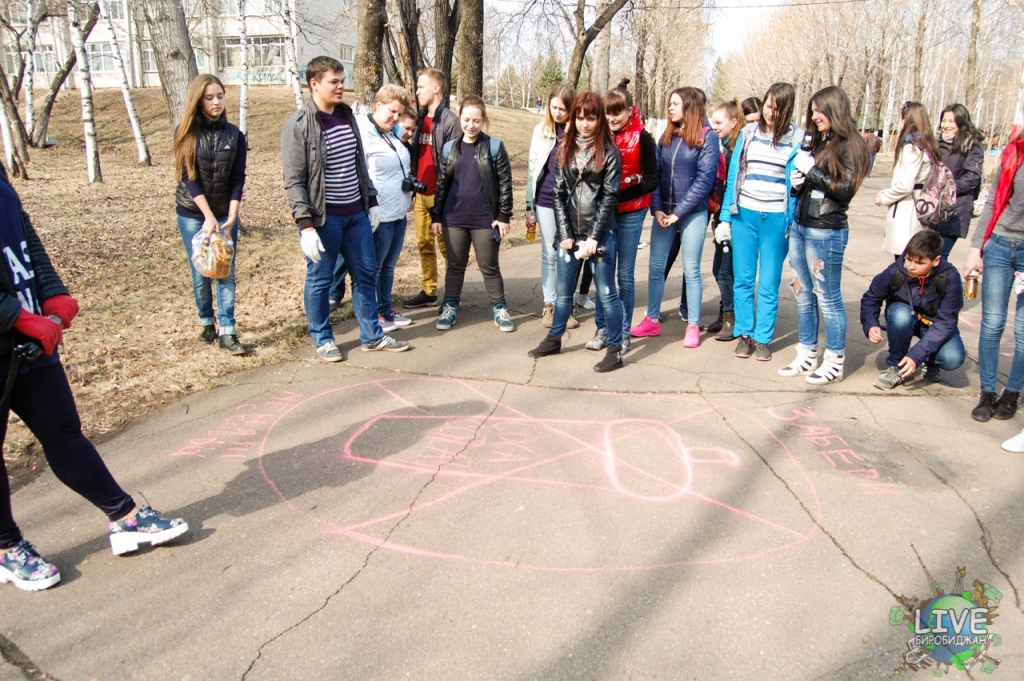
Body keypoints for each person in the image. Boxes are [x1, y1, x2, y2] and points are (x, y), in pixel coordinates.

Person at [0, 164, 188, 591]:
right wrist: (16, 316)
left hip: (27, 336)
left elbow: (23, 233)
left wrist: (52, 291)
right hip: (14, 325)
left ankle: (124, 518)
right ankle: (7, 547)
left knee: (64, 432)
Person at [281, 56, 410, 362]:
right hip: (325, 218)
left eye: (342, 80)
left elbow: (358, 164)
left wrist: (372, 201)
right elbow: (294, 180)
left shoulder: (346, 116)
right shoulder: (298, 126)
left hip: (356, 215)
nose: (341, 87)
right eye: (334, 82)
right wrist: (306, 226)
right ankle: (323, 338)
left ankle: (372, 336)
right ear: (314, 84)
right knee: (321, 278)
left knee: (366, 274)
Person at [528, 92, 625, 372]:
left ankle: (616, 348)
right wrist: (565, 233)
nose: (584, 124)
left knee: (606, 292)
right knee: (563, 292)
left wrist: (594, 237)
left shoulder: (609, 152)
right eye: (580, 118)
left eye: (591, 118)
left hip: (601, 234)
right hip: (570, 233)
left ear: (599, 120)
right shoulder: (565, 148)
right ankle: (555, 337)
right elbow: (557, 193)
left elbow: (609, 197)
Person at [783, 85, 871, 384]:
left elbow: (844, 190)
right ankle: (807, 351)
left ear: (834, 109)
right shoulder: (824, 142)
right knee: (803, 292)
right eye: (812, 110)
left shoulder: (852, 144)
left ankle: (834, 359)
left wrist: (812, 172)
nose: (814, 115)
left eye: (819, 110)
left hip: (826, 230)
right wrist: (799, 183)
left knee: (827, 297)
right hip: (801, 224)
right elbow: (817, 183)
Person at [715, 82, 800, 361]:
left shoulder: (797, 137)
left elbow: (798, 185)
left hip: (777, 219)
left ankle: (763, 338)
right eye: (768, 105)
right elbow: (734, 178)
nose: (771, 112)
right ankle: (745, 334)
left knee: (769, 282)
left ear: (787, 109)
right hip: (745, 216)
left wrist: (793, 223)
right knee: (743, 279)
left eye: (778, 107)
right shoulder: (749, 132)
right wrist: (726, 218)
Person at [630, 87, 719, 348]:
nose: (670, 108)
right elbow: (654, 174)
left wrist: (679, 213)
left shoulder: (707, 138)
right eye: (669, 103)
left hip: (692, 213)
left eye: (675, 104)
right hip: (663, 213)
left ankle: (692, 324)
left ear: (690, 107)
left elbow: (704, 181)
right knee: (656, 267)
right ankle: (652, 319)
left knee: (691, 270)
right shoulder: (665, 137)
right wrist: (657, 209)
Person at [172, 74, 247, 356]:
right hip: (193, 214)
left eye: (220, 96)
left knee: (225, 271)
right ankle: (207, 322)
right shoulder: (186, 133)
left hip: (225, 214)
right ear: (198, 100)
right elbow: (189, 178)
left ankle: (228, 332)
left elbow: (238, 177)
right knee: (202, 271)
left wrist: (231, 215)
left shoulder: (235, 135)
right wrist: (208, 217)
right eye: (209, 97)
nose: (216, 102)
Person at [583, 81, 658, 354]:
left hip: (631, 212)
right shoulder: (599, 136)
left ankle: (623, 332)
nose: (612, 118)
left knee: (624, 275)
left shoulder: (643, 137)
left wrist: (618, 197)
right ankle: (603, 327)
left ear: (629, 111)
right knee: (602, 274)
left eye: (618, 112)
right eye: (608, 113)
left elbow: (651, 180)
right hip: (602, 215)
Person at [430, 96, 516, 332]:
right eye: (466, 120)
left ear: (483, 120)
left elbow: (505, 184)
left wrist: (504, 216)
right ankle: (450, 307)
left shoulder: (495, 147)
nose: (471, 125)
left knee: (489, 266)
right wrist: (436, 216)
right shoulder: (450, 148)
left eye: (476, 120)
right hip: (453, 219)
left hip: (484, 219)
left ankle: (500, 308)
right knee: (455, 265)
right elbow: (442, 185)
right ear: (460, 119)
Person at [961, 125, 1024, 435]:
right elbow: (991, 204)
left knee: (1023, 330)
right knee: (993, 324)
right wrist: (976, 248)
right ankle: (987, 392)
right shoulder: (1014, 153)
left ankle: (1011, 393)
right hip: (999, 244)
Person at [861, 230, 964, 390]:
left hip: (934, 324)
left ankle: (928, 362)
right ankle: (896, 365)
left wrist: (917, 355)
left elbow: (946, 322)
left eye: (919, 263)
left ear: (936, 260)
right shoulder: (895, 271)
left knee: (952, 359)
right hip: (904, 317)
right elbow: (871, 298)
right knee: (900, 315)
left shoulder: (950, 277)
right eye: (909, 259)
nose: (911, 266)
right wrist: (871, 323)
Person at [357, 84, 415, 333]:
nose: (395, 118)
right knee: (375, 267)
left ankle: (385, 309)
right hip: (378, 213)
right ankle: (373, 314)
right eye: (392, 111)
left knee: (389, 266)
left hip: (399, 212)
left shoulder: (391, 134)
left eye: (399, 114)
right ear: (378, 105)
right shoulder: (363, 131)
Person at [404, 69, 460, 310]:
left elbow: (456, 162)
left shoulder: (450, 121)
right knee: (423, 243)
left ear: (435, 88)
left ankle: (451, 294)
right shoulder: (417, 119)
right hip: (420, 192)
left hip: (441, 196)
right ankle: (429, 291)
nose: (417, 91)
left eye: (420, 87)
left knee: (446, 247)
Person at [525, 83, 579, 330]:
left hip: (572, 201)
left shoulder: (578, 131)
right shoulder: (542, 130)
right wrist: (529, 205)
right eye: (553, 107)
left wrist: (572, 136)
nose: (557, 112)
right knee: (549, 251)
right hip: (545, 198)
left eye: (563, 108)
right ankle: (549, 304)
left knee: (567, 253)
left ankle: (565, 306)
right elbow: (533, 166)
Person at [876, 102, 937, 259]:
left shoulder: (912, 148)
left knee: (906, 262)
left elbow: (904, 186)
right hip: (919, 206)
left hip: (908, 212)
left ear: (906, 119)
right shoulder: (927, 145)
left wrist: (884, 197)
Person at [707, 99, 742, 341]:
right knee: (719, 269)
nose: (714, 126)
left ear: (734, 122)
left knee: (725, 271)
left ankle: (732, 318)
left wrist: (726, 218)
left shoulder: (738, 148)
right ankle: (725, 311)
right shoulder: (726, 146)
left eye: (719, 122)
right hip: (721, 218)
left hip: (734, 220)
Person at [935, 103, 985, 258]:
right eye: (944, 120)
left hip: (956, 209)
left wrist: (946, 190)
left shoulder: (972, 146)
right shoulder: (937, 143)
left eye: (951, 121)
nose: (946, 125)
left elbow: (971, 178)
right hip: (932, 206)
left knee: (939, 257)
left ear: (961, 122)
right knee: (924, 257)